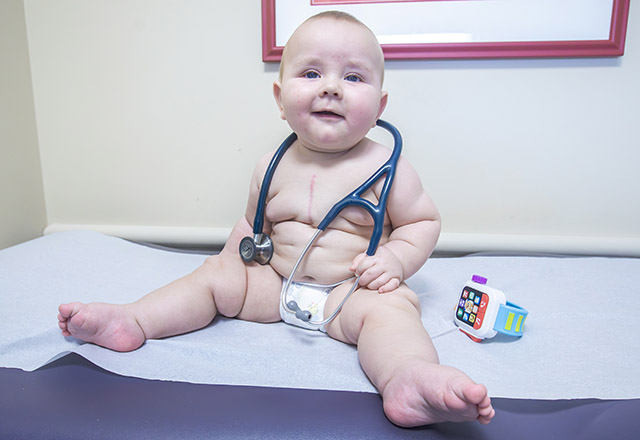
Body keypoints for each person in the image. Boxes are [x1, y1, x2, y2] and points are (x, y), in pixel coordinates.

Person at [58, 11, 495, 427]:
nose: (331, 88)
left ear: (379, 105)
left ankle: (406, 378)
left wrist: (396, 261)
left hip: (350, 295)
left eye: (353, 77)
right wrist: (230, 265)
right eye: (311, 74)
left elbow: (423, 223)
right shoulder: (272, 164)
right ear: (279, 99)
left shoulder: (389, 169)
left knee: (393, 312)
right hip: (276, 284)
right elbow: (251, 228)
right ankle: (134, 320)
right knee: (212, 276)